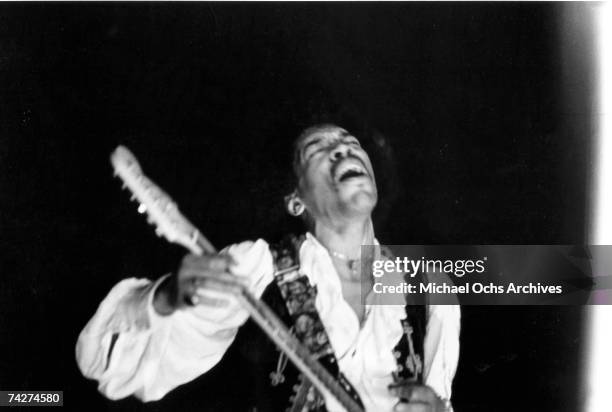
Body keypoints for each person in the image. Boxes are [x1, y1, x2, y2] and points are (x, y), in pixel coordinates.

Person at [76, 124, 460, 412]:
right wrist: (167, 297)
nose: (343, 151)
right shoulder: (256, 266)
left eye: (352, 144)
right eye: (319, 149)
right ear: (296, 201)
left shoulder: (428, 284)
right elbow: (122, 368)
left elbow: (441, 399)